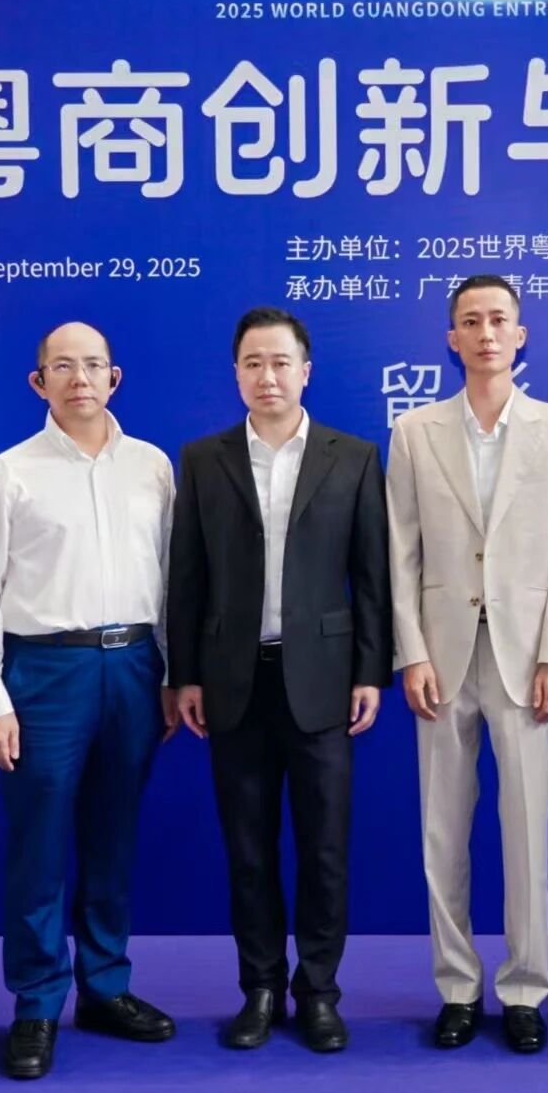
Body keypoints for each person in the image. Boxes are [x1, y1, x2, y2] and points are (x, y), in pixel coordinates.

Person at [0, 321, 179, 1080]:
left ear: (115, 377)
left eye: (92, 366)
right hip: (44, 672)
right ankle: (37, 1000)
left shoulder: (152, 467)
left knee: (113, 837)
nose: (78, 379)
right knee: (40, 843)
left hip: (134, 666)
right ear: (38, 382)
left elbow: (171, 579)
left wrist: (171, 675)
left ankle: (106, 987)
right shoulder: (7, 473)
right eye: (62, 367)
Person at [168, 307, 392, 1053]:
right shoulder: (204, 459)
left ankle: (319, 991)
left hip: (323, 679)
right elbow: (186, 576)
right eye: (253, 363)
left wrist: (371, 670)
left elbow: (372, 574)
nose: (267, 376)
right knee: (248, 847)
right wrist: (184, 675)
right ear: (236, 373)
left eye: (280, 362)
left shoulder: (351, 456)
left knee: (324, 848)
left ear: (306, 371)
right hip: (232, 680)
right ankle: (260, 988)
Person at [387, 276, 548, 1054]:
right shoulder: (414, 431)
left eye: (497, 319)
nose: (484, 333)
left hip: (524, 656)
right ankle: (456, 985)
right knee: (442, 829)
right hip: (441, 657)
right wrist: (410, 650)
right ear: (451, 338)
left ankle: (525, 986)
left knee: (525, 830)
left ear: (520, 333)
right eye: (469, 321)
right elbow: (400, 552)